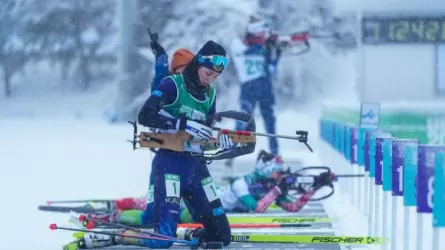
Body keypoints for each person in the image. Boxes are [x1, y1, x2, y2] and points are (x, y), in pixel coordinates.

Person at [77, 40, 234, 249]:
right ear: (197, 63)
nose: (210, 80)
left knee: (222, 236)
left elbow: (201, 137)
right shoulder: (173, 84)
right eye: (208, 73)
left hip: (196, 169)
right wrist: (181, 123)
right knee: (164, 240)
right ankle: (116, 236)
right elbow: (145, 115)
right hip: (170, 166)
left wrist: (219, 142)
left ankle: (189, 234)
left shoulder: (211, 94)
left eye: (215, 77)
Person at [82, 150, 333, 225]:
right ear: (267, 172)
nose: (280, 177)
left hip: (198, 210)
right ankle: (111, 211)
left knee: (151, 210)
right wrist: (277, 190)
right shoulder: (242, 183)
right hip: (195, 205)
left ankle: (113, 212)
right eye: (277, 172)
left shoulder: (270, 187)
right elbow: (256, 208)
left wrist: (314, 189)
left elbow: (293, 207)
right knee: (149, 209)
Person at [230, 16, 282, 156]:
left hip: (265, 88)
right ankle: (230, 156)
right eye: (260, 32)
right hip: (249, 88)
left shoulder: (263, 46)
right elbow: (249, 51)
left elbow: (271, 69)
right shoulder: (238, 44)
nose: (263, 35)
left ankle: (275, 156)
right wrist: (266, 44)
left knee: (271, 124)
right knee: (242, 123)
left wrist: (276, 52)